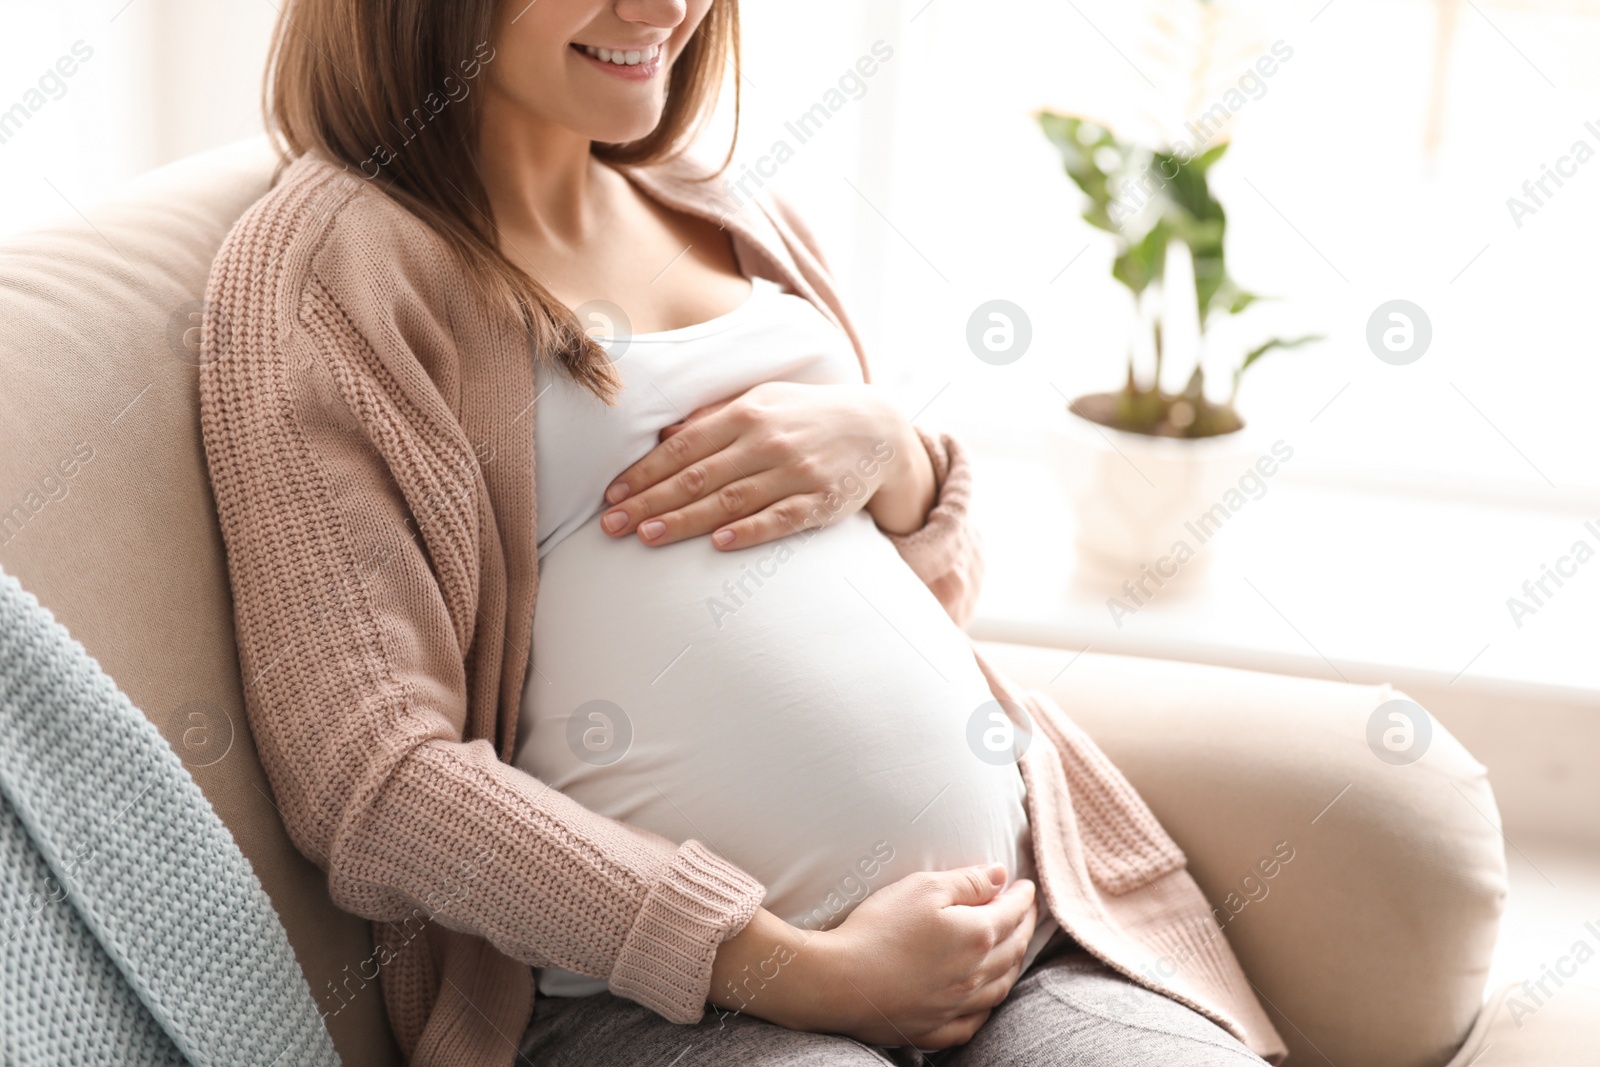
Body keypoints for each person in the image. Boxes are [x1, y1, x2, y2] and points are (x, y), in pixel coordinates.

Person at [197, 0, 1287, 1063]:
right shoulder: (324, 275)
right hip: (673, 1009)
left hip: (1025, 936)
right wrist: (799, 968)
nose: (664, 8)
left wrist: (894, 453)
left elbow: (937, 603)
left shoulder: (719, 205)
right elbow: (369, 780)